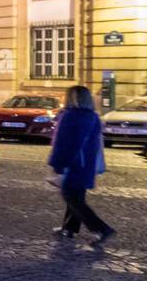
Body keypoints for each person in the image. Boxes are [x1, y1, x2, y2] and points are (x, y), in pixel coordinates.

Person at [48, 85, 115, 244]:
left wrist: (59, 163)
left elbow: (65, 143)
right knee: (76, 197)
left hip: (74, 164)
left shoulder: (71, 116)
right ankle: (69, 228)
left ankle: (101, 229)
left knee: (72, 198)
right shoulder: (92, 116)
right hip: (86, 163)